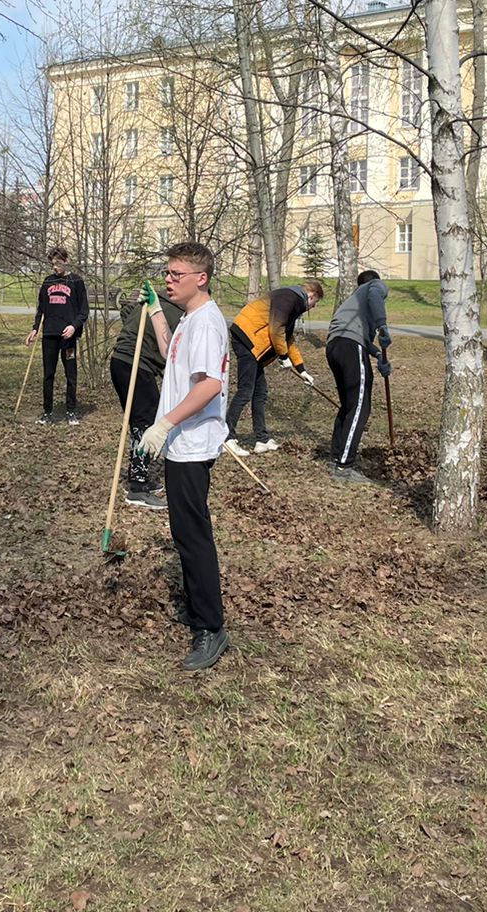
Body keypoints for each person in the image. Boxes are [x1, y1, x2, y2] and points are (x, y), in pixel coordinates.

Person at [135, 242, 232, 671]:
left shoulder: (207, 322)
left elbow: (210, 384)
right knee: (183, 532)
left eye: (177, 274)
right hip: (181, 443)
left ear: (201, 278)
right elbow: (170, 351)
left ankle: (210, 627)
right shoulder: (190, 319)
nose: (169, 280)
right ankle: (197, 609)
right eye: (167, 273)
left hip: (193, 443)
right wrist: (157, 311)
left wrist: (165, 423)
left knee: (193, 536)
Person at [223, 279, 324, 457]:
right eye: (315, 303)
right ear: (311, 295)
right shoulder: (289, 298)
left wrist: (302, 370)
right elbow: (276, 330)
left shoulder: (292, 303)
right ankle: (226, 437)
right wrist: (283, 357)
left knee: (260, 392)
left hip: (253, 344)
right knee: (245, 390)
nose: (313, 307)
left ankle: (262, 439)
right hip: (247, 339)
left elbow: (288, 338)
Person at [109, 279, 184, 508]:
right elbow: (175, 352)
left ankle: (139, 477)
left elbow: (126, 311)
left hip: (120, 362)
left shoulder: (154, 301)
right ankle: (137, 486)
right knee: (145, 424)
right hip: (135, 365)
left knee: (141, 422)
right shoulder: (180, 314)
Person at [325, 270, 391, 485]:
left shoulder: (353, 304)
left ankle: (337, 456)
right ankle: (344, 466)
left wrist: (378, 354)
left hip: (335, 347)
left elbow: (362, 338)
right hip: (351, 346)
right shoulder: (374, 287)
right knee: (360, 407)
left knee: (349, 405)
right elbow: (375, 294)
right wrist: (382, 324)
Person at [27, 247, 90, 425]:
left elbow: (84, 311)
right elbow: (41, 309)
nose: (56, 267)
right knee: (48, 374)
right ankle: (47, 412)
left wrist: (73, 327)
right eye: (53, 264)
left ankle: (71, 411)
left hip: (68, 338)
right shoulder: (48, 282)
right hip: (49, 336)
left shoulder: (76, 281)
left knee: (71, 374)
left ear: (66, 261)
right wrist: (35, 328)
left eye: (59, 263)